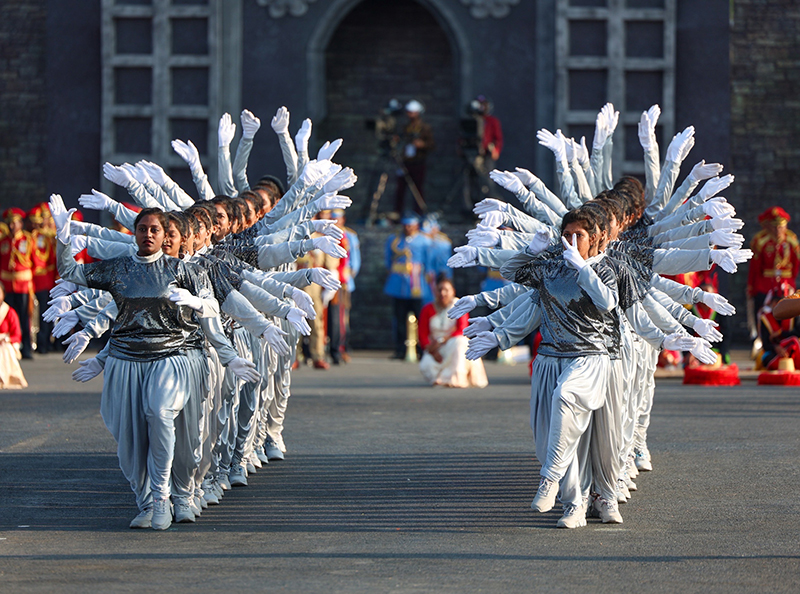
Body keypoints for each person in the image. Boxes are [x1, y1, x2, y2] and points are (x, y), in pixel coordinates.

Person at [418, 275, 487, 388]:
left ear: (452, 292)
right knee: (426, 366)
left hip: (453, 344)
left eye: (446, 290)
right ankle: (443, 378)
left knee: (460, 342)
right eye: (440, 290)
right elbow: (422, 334)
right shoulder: (427, 309)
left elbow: (462, 330)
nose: (442, 293)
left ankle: (457, 378)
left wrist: (443, 340)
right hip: (435, 348)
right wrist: (431, 350)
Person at [747, 207, 800, 338]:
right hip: (766, 283)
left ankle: (789, 337)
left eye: (781, 227)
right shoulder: (761, 241)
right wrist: (752, 288)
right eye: (775, 227)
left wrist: (791, 282)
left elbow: (795, 266)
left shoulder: (791, 241)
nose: (778, 231)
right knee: (762, 310)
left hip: (786, 281)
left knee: (791, 312)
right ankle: (762, 339)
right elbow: (755, 268)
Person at [384, 214, 431, 359]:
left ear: (416, 226)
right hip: (398, 283)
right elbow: (388, 260)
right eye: (405, 225)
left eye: (410, 225)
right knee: (399, 318)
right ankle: (400, 349)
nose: (408, 228)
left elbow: (428, 262)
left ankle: (421, 348)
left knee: (420, 317)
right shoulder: (395, 240)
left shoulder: (424, 240)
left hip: (417, 283)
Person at [0, 208, 34, 358]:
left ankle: (26, 347)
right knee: (8, 316)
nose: (12, 226)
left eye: (14, 223)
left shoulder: (28, 240)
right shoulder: (4, 241)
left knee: (24, 316)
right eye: (10, 223)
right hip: (7, 285)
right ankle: (12, 347)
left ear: (20, 223)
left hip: (23, 284)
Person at [328, 208, 360, 364]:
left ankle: (342, 347)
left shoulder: (350, 236)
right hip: (328, 279)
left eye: (338, 218)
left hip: (343, 281)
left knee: (342, 318)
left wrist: (347, 276)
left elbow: (354, 261)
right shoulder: (326, 233)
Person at [393, 100, 435, 215]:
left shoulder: (424, 128)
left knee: (418, 188)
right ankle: (398, 211)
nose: (410, 115)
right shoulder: (405, 127)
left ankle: (418, 212)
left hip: (418, 161)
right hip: (405, 161)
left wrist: (422, 144)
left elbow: (431, 144)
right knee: (400, 188)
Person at [0, 283, 27, 389]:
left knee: (4, 349)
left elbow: (16, 334)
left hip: (5, 342)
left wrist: (7, 339)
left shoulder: (9, 312)